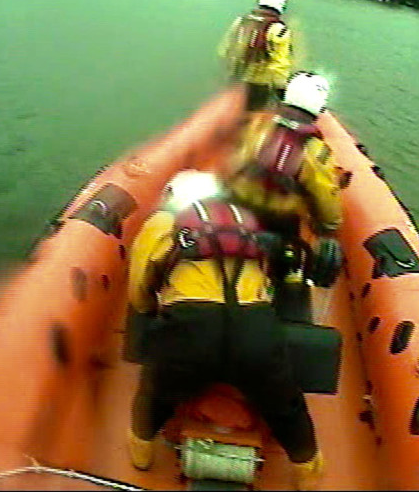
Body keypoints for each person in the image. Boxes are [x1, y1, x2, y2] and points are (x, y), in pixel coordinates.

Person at [126, 169, 323, 489]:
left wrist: (153, 312)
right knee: (287, 407)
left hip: (190, 329)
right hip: (254, 327)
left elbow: (139, 292)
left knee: (155, 394)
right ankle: (309, 474)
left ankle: (141, 455)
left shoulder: (163, 227)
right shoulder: (247, 225)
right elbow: (266, 285)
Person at [220, 71, 343, 319]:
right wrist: (327, 229)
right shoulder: (315, 152)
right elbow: (327, 207)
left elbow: (229, 166)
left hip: (233, 214)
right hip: (278, 227)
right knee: (289, 270)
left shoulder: (254, 128)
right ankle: (281, 308)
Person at [219, 0, 294, 111]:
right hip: (259, 87)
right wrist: (284, 94)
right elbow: (280, 67)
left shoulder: (241, 22)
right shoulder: (278, 29)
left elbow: (224, 50)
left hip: (236, 79)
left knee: (234, 111)